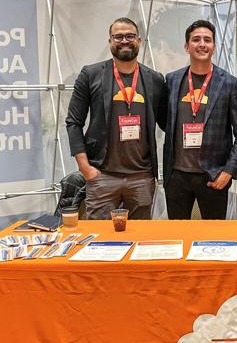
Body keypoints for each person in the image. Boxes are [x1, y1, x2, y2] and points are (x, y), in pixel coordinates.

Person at [65, 17, 166, 220]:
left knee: (139, 234)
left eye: (130, 36)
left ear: (139, 40)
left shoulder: (154, 79)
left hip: (141, 177)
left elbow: (167, 123)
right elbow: (73, 122)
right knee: (100, 235)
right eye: (118, 36)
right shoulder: (91, 74)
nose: (124, 41)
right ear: (110, 41)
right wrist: (85, 168)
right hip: (102, 175)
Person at [161, 20, 237, 219]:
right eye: (196, 39)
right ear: (187, 46)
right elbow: (165, 120)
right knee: (177, 234)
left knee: (214, 235)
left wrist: (228, 171)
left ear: (214, 47)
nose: (202, 44)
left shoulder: (229, 83)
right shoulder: (172, 80)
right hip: (176, 176)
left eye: (207, 40)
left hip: (214, 176)